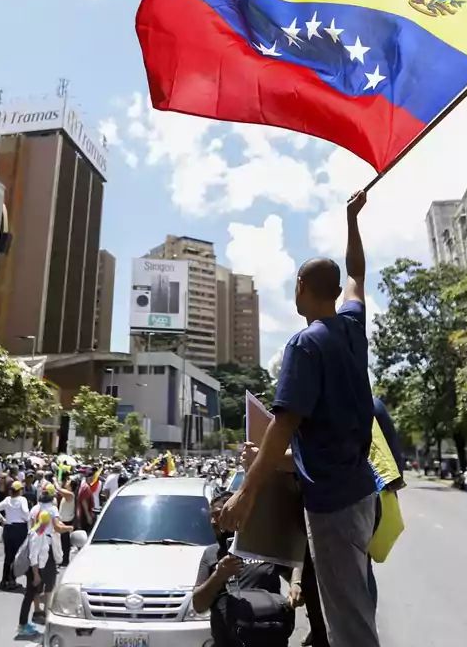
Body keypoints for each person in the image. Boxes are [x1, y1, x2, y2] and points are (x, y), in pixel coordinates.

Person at [220, 190, 378, 647]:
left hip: (334, 506)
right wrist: (352, 220)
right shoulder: (352, 326)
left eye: (295, 284)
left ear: (303, 287)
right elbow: (358, 273)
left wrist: (247, 492)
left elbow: (282, 424)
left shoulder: (304, 345)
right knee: (353, 610)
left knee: (349, 626)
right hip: (361, 496)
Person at [192, 493, 289, 647]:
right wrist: (219, 576)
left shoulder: (265, 546)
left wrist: (296, 583)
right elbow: (198, 605)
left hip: (269, 637)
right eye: (211, 516)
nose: (213, 521)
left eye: (217, 514)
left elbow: (295, 567)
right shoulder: (212, 553)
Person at [16, 510, 60, 638]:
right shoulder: (38, 534)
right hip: (34, 570)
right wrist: (36, 575)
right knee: (28, 597)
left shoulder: (36, 530)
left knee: (30, 596)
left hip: (35, 569)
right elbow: (33, 556)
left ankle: (24, 623)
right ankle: (22, 625)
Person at [0, 481, 29, 591]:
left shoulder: (7, 500)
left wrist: (2, 520)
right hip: (19, 529)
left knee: (8, 556)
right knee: (17, 555)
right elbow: (26, 513)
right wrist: (26, 519)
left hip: (8, 529)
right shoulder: (22, 500)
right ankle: (12, 579)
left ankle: (4, 580)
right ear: (20, 490)